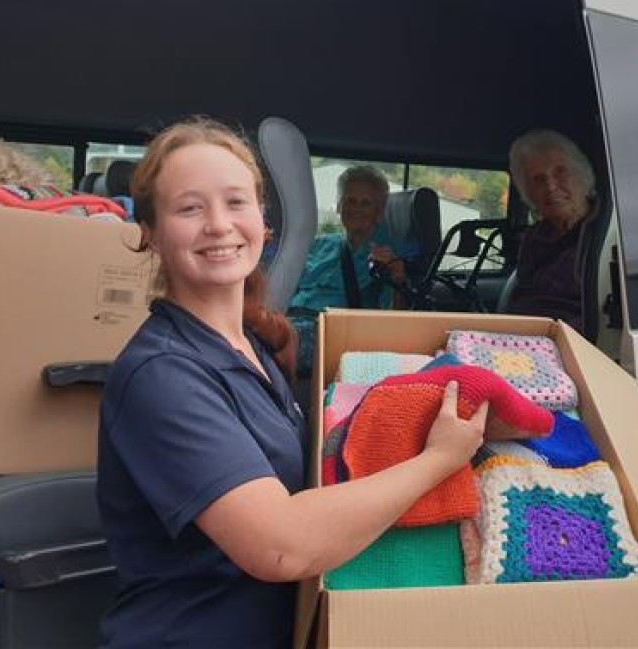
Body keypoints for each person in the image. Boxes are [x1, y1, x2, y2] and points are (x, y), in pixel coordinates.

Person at [96, 118, 487, 649]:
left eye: (236, 202)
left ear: (262, 220)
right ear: (151, 232)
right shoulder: (162, 375)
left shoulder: (250, 347)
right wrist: (438, 460)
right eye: (190, 208)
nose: (219, 224)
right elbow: (281, 547)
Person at [287, 165, 407, 377]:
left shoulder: (387, 257)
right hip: (288, 319)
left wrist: (398, 277)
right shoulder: (318, 244)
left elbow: (394, 320)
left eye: (365, 203)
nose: (356, 209)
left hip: (329, 333)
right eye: (350, 200)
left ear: (379, 212)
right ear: (339, 205)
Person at [505, 129, 596, 333]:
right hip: (523, 336)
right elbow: (522, 297)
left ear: (582, 176)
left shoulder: (607, 233)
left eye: (560, 172)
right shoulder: (533, 238)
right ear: (529, 193)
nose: (551, 186)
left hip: (574, 341)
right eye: (538, 179)